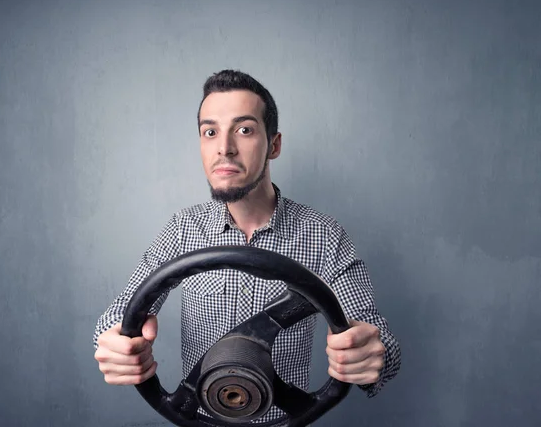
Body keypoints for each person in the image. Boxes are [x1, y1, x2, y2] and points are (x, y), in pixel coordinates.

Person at [93, 70, 401, 423]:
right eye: (210, 132)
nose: (224, 148)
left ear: (274, 144)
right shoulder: (182, 229)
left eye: (244, 129)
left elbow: (380, 341)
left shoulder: (325, 235)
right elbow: (119, 313)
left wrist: (371, 355)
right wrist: (116, 341)